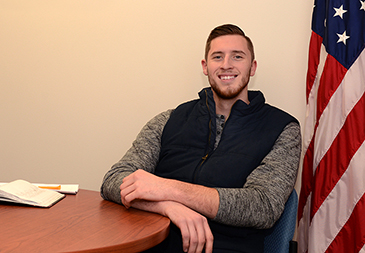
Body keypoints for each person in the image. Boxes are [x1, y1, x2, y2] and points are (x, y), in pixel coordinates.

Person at [101, 24, 301, 253]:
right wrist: (168, 207)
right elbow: (113, 181)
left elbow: (263, 206)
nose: (226, 64)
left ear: (252, 67)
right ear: (205, 67)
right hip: (154, 245)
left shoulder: (283, 128)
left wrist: (167, 188)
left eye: (237, 56)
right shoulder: (169, 119)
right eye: (218, 57)